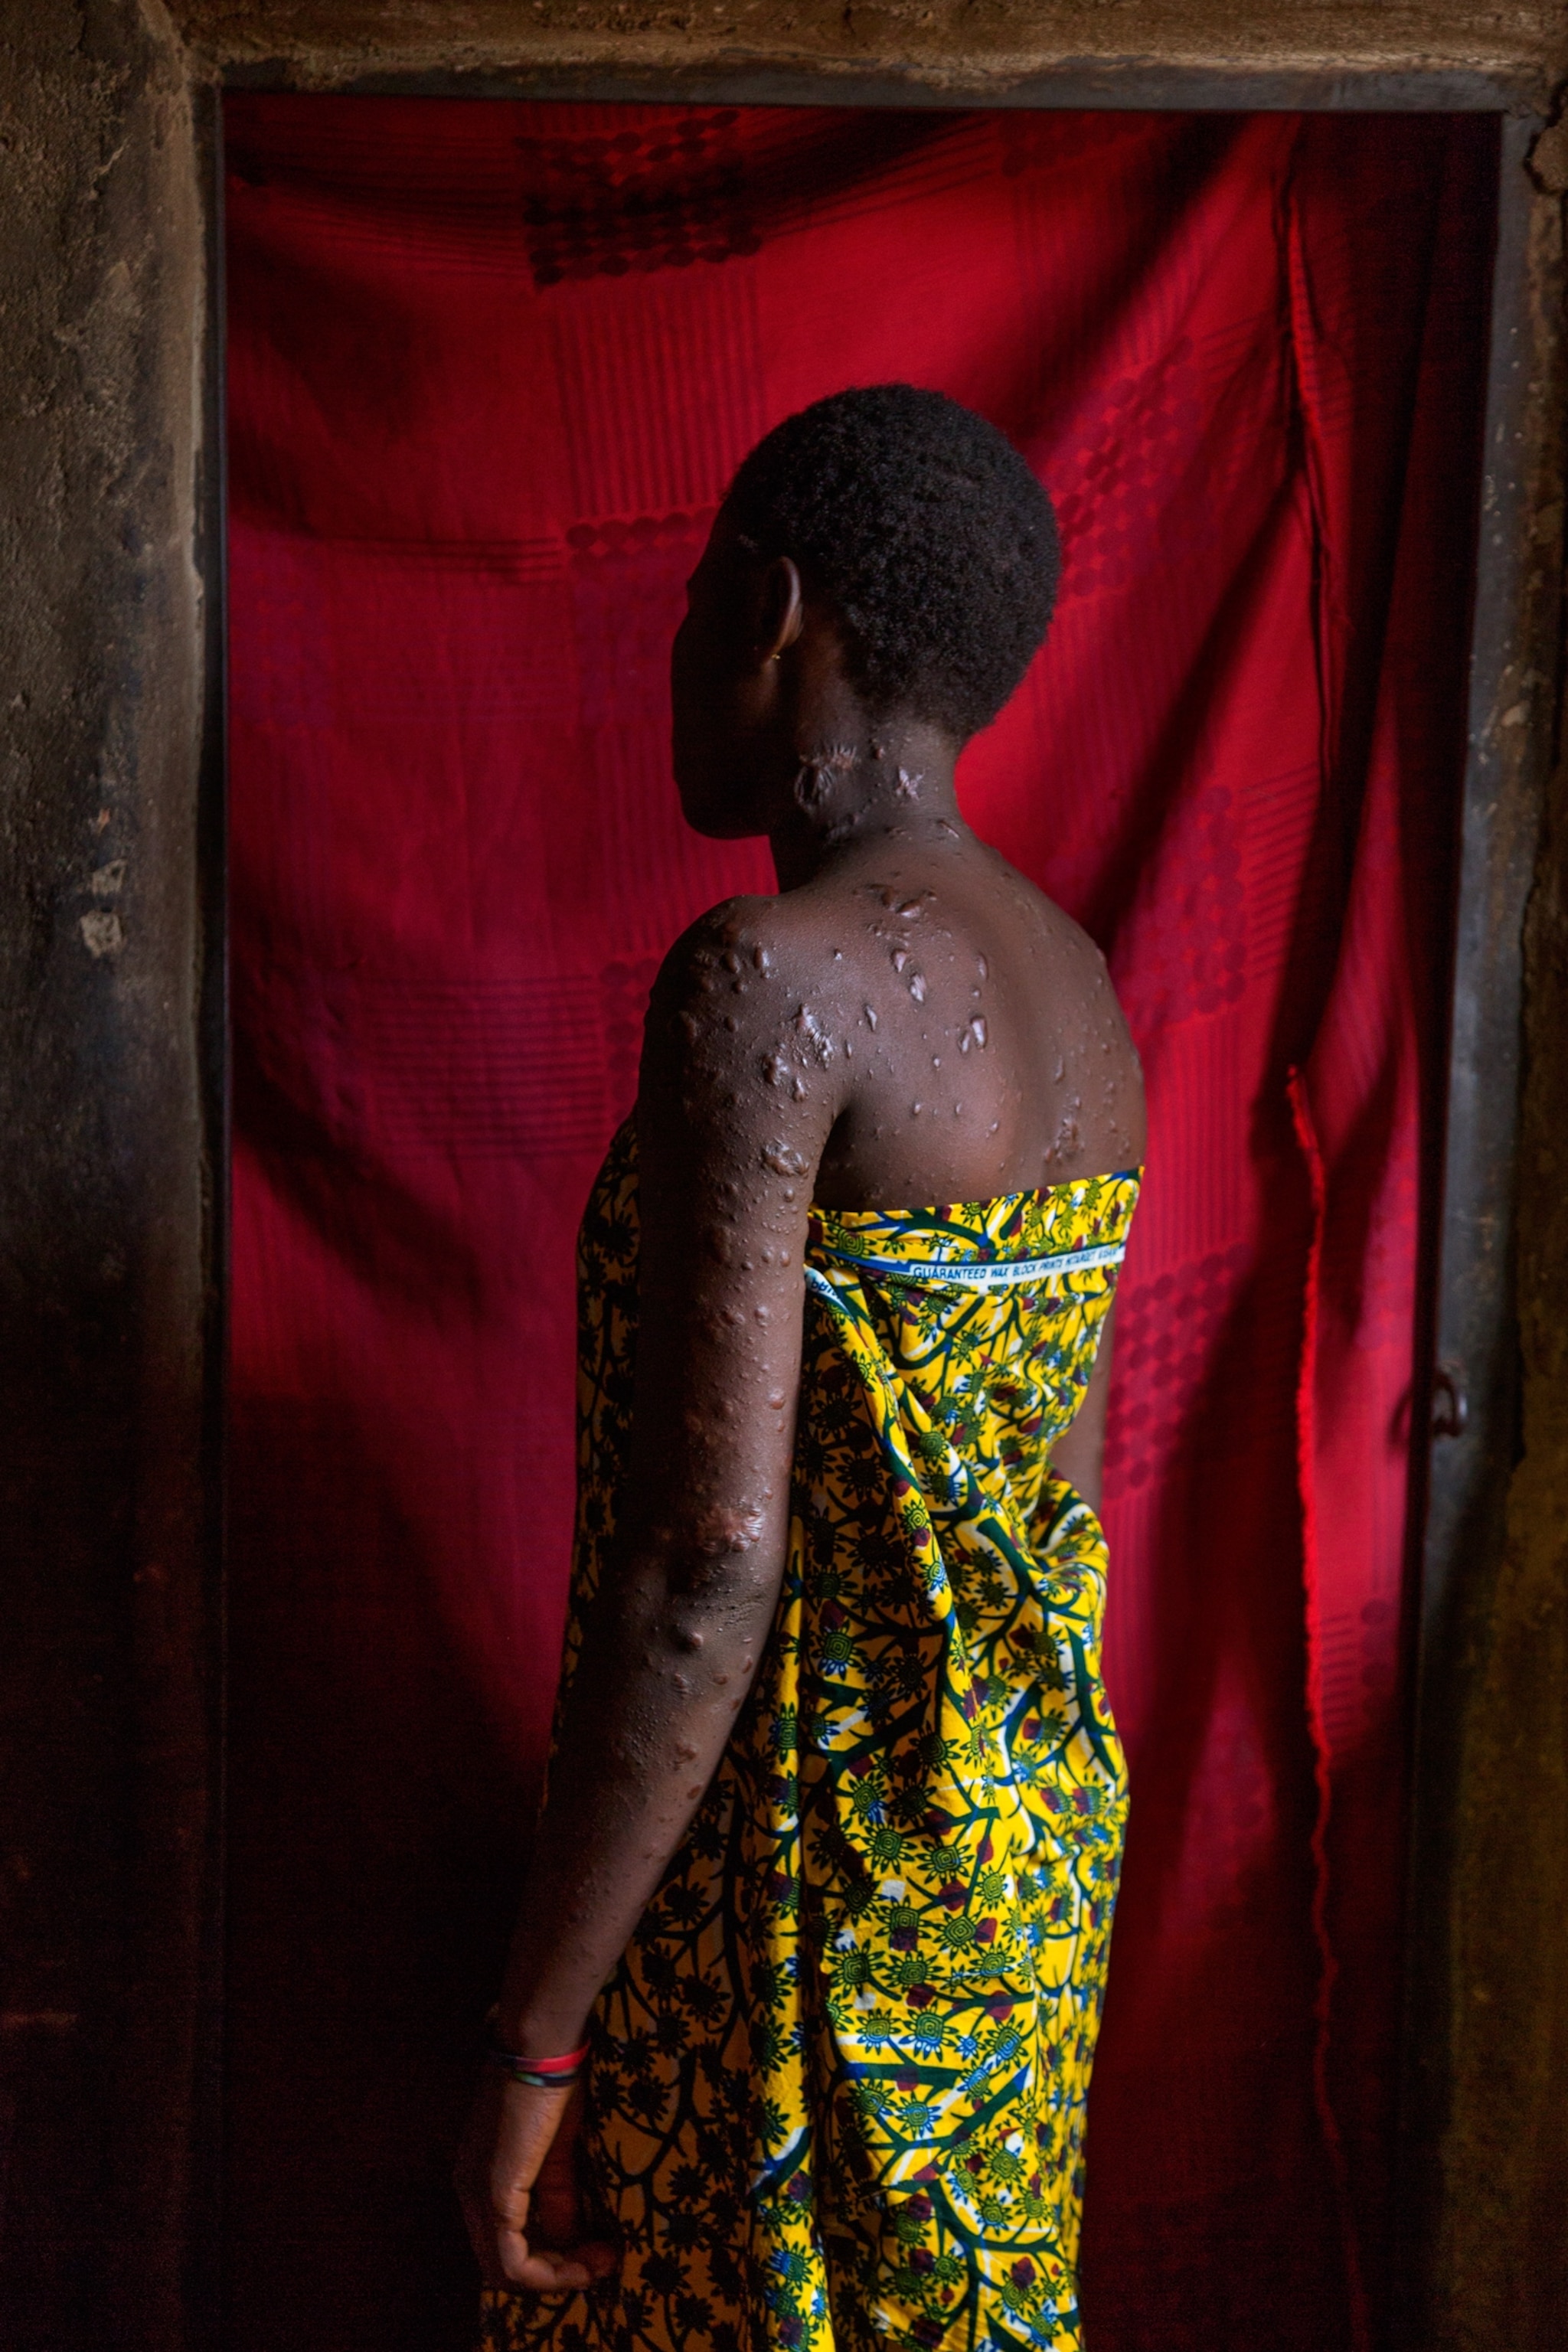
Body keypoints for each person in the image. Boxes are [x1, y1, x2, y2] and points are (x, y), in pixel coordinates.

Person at [458, 383, 1145, 2352]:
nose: (678, 650)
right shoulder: (1078, 984)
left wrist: (536, 2040)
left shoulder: (772, 977)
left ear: (768, 608)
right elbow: (1063, 1501)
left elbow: (704, 1573)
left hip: (792, 1892)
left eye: (690, 605)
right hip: (1012, 1875)